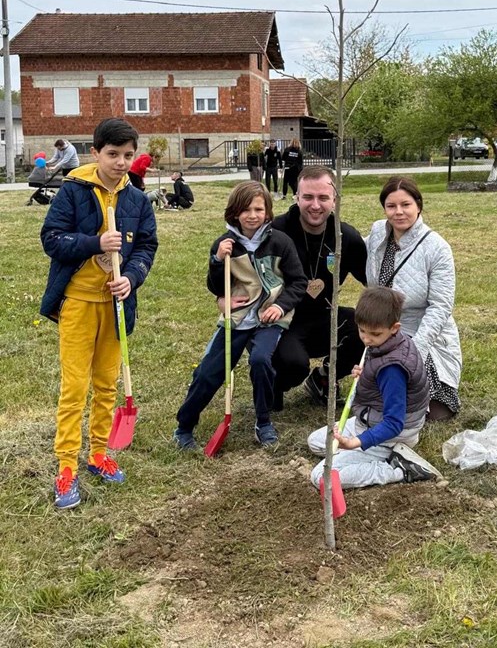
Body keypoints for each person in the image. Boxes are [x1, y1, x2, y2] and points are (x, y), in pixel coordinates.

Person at [40, 118, 158, 510]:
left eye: (128, 155)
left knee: (107, 383)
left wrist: (132, 278)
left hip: (115, 305)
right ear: (95, 153)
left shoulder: (137, 199)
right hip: (78, 303)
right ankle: (66, 464)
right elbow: (51, 239)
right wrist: (94, 242)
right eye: (113, 154)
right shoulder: (73, 191)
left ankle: (99, 453)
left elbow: (147, 246)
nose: (121, 163)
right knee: (75, 387)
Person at [173, 182, 307, 449]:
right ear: (234, 212)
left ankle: (263, 421)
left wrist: (280, 307)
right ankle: (184, 427)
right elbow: (215, 286)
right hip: (237, 317)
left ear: (267, 212)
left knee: (260, 360)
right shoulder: (224, 245)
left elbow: (298, 282)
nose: (252, 215)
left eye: (258, 209)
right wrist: (217, 261)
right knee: (208, 372)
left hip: (269, 318)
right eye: (245, 210)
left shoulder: (280, 242)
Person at [308, 287, 441, 489]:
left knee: (321, 477)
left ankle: (399, 469)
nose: (366, 339)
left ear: (394, 328)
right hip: (370, 419)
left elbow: (394, 423)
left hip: (391, 433)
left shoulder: (392, 369)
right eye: (362, 331)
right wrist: (366, 376)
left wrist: (356, 442)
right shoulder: (389, 343)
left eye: (375, 334)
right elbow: (380, 382)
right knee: (316, 442)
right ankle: (361, 456)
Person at [366, 176, 462, 422]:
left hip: (421, 331)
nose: (398, 212)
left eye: (405, 204)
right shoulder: (378, 233)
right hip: (382, 330)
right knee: (381, 399)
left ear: (418, 205)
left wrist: (415, 349)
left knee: (433, 410)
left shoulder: (437, 247)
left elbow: (440, 307)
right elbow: (349, 248)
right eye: (391, 206)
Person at [272, 167, 368, 408]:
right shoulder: (276, 231)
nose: (315, 205)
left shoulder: (346, 237)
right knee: (293, 365)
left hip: (326, 317)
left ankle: (323, 379)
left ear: (334, 200)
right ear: (296, 197)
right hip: (284, 320)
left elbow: (373, 281)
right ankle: (272, 382)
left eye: (323, 197)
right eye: (308, 197)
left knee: (366, 327)